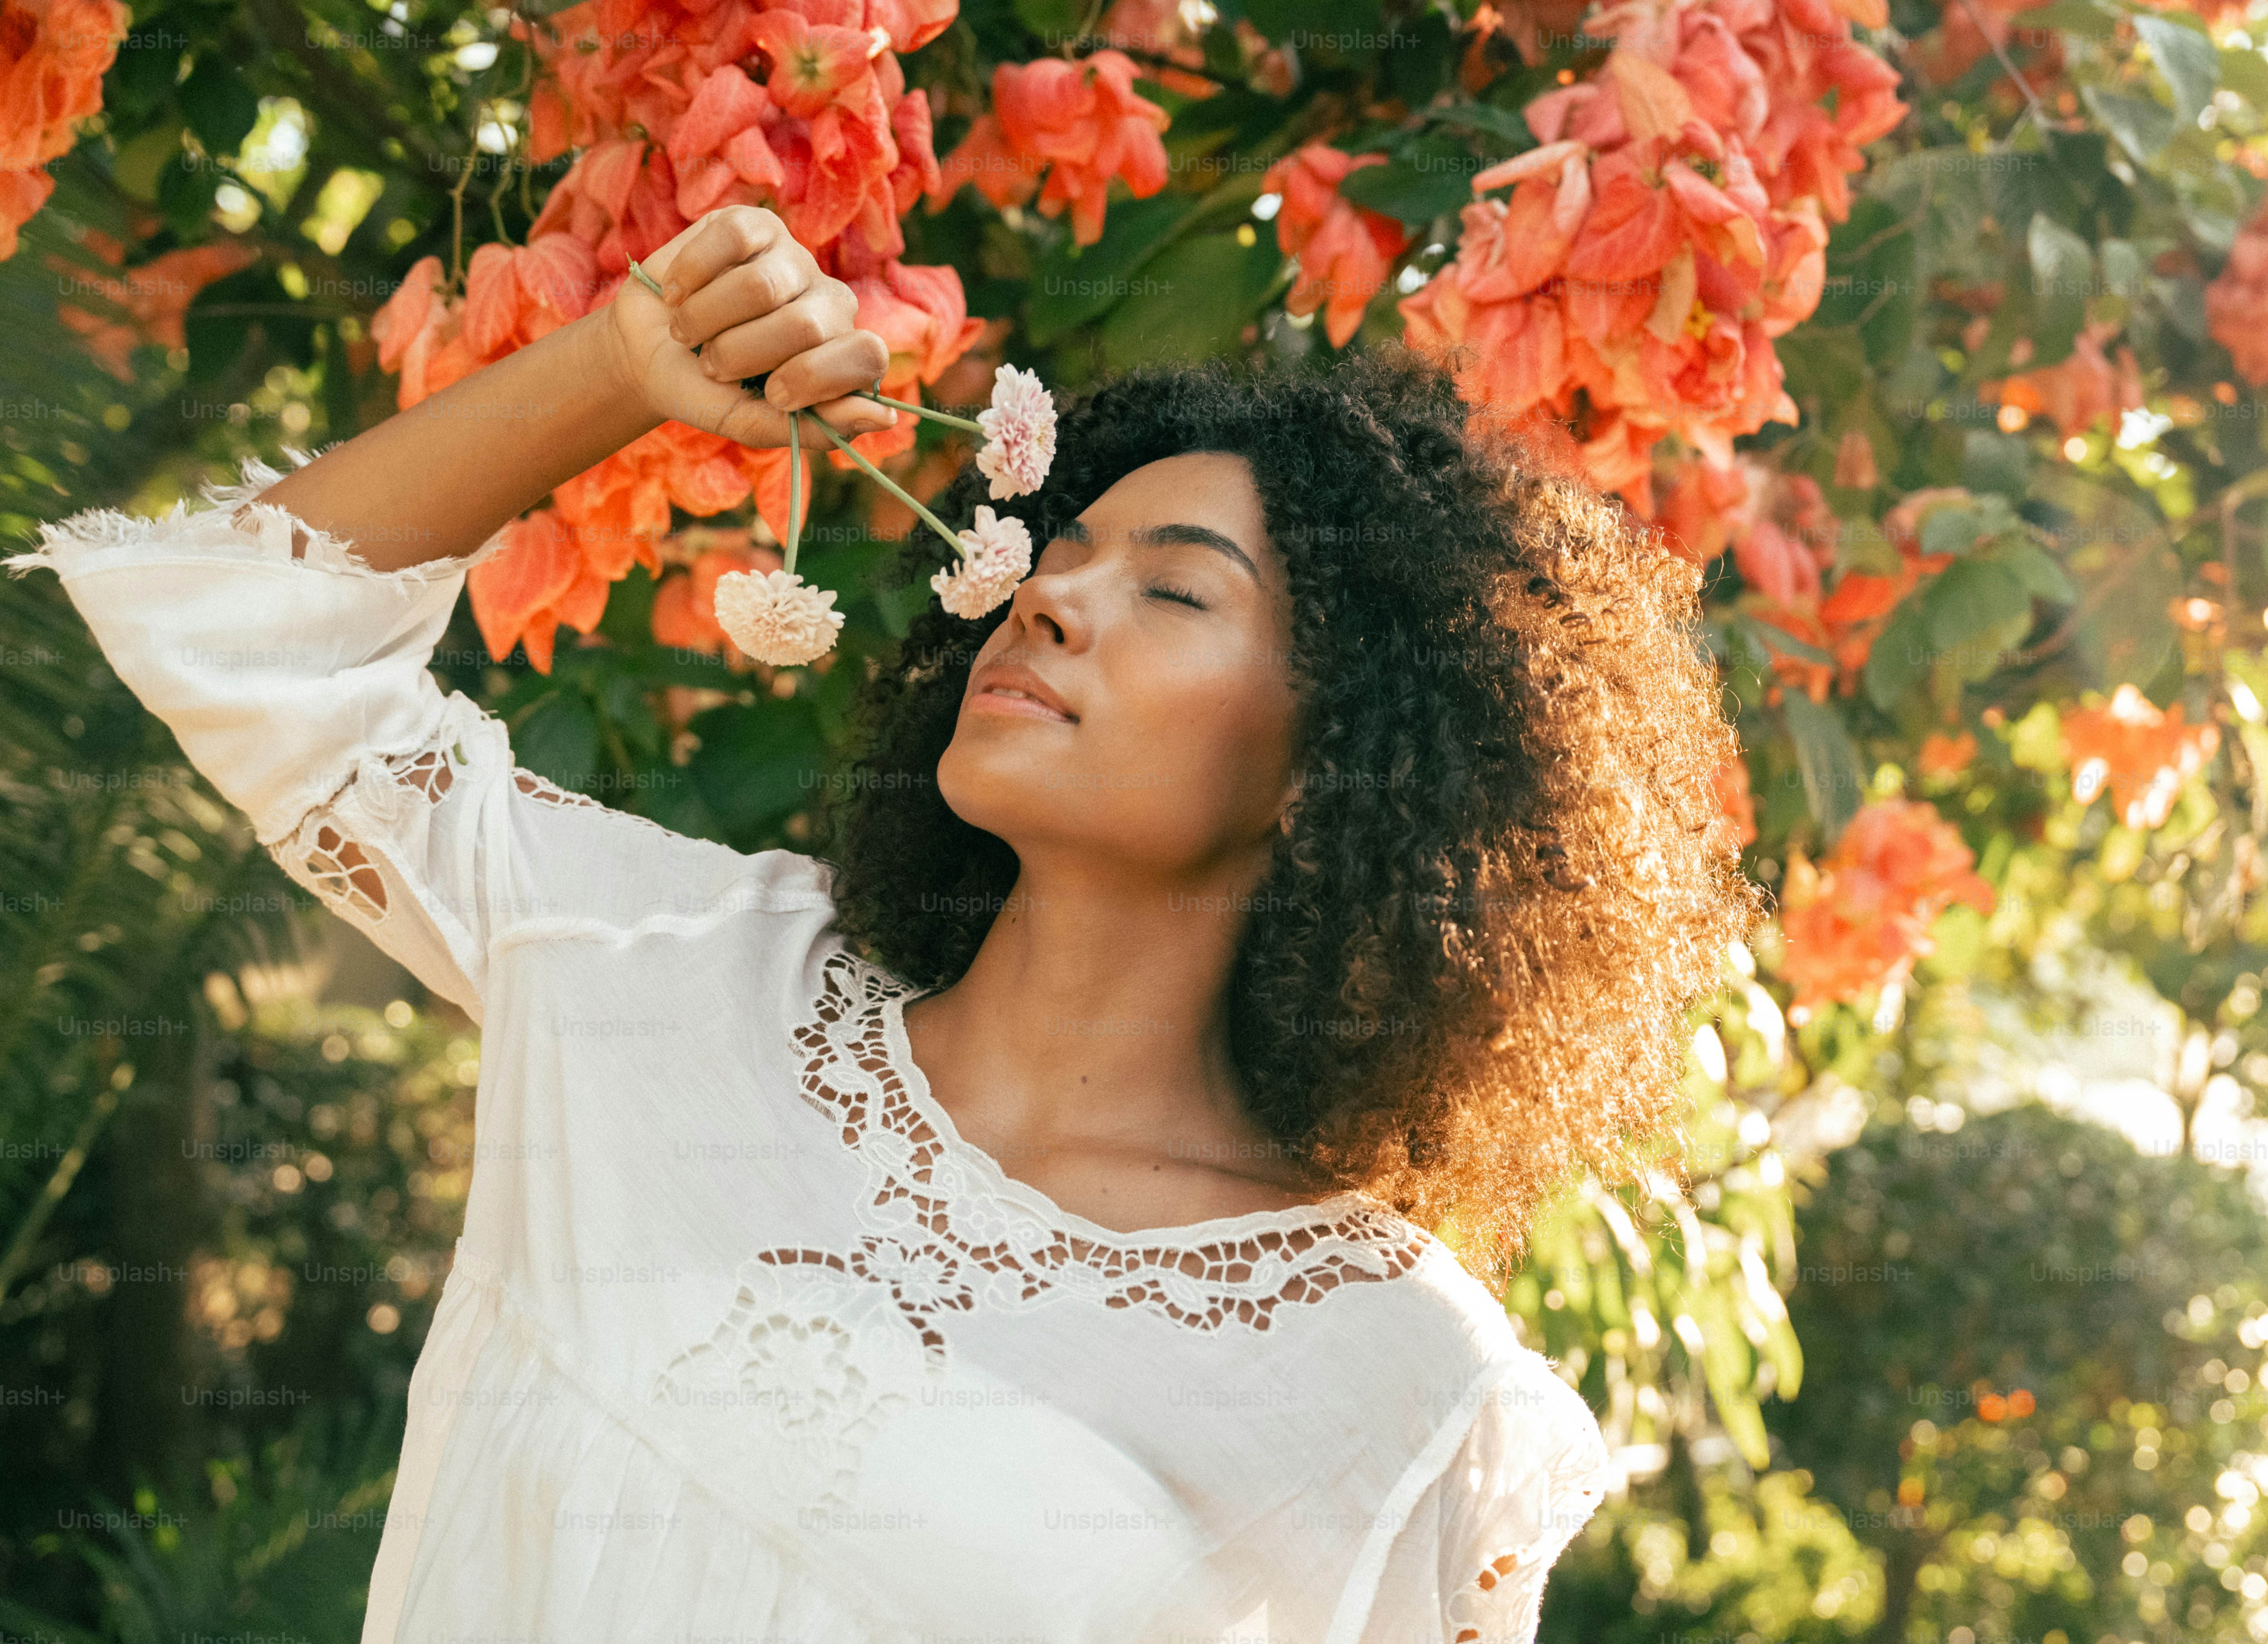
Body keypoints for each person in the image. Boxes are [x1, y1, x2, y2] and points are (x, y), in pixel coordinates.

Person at [8, 204, 1759, 1642]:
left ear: (1346, 765)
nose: (1055, 594)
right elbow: (241, 630)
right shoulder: (663, 978)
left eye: (1171, 588)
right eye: (1059, 548)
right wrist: (621, 364)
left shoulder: (1388, 1392)